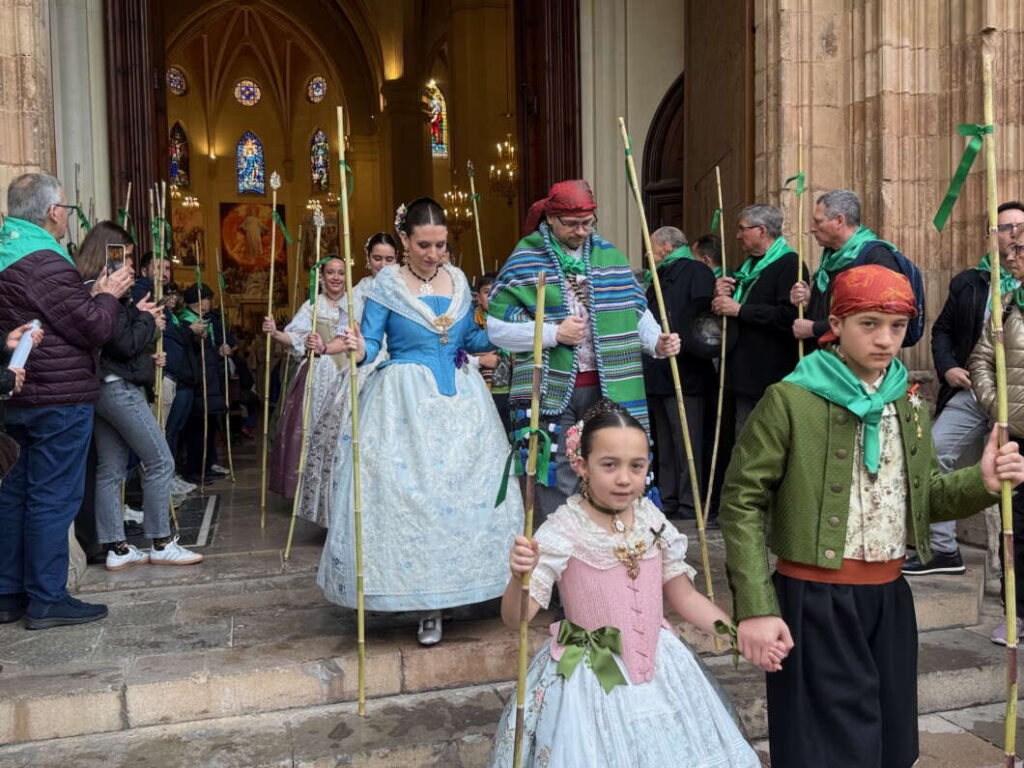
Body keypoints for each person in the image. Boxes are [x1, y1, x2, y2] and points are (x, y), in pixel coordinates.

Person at [719, 265, 1024, 768]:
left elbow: (923, 500)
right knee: (828, 747)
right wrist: (756, 605)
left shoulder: (908, 402)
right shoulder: (790, 399)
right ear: (836, 323)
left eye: (897, 327)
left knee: (889, 742)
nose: (885, 339)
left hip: (889, 599)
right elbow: (742, 502)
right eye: (869, 323)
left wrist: (984, 483)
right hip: (813, 600)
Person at [489, 398, 760, 767]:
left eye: (636, 466)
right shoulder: (562, 530)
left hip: (662, 665)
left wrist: (735, 634)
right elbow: (516, 618)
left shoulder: (653, 520)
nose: (624, 478)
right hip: (592, 675)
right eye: (609, 465)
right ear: (581, 465)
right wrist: (519, 576)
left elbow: (683, 596)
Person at [318, 198, 523, 645]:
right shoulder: (385, 286)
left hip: (464, 399)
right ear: (405, 241)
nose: (434, 254)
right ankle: (426, 604)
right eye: (425, 245)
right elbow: (372, 344)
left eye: (442, 246)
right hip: (405, 403)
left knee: (468, 491)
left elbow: (470, 336)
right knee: (417, 500)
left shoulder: (460, 281)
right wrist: (352, 347)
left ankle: (472, 585)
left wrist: (518, 329)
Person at [487, 180, 680, 519]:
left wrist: (656, 342)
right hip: (547, 390)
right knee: (554, 472)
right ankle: (561, 558)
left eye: (587, 223)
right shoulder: (526, 259)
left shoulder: (610, 257)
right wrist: (551, 333)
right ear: (551, 219)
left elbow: (635, 311)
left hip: (609, 387)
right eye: (571, 224)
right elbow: (497, 329)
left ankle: (609, 552)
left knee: (608, 464)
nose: (581, 231)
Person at [0, 172, 132, 629]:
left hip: (18, 393)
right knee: (52, 498)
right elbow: (91, 328)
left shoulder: (7, 251)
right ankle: (46, 598)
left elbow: (56, 315)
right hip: (57, 395)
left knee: (16, 495)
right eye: (67, 209)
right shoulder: (45, 261)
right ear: (54, 212)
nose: (67, 218)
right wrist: (109, 297)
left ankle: (9, 593)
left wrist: (88, 296)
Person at [903, 201, 1024, 579]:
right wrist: (951, 368)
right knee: (933, 451)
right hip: (977, 391)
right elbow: (943, 331)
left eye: (1019, 229)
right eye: (1005, 229)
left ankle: (1011, 586)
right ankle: (942, 549)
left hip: (1018, 403)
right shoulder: (970, 281)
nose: (1012, 237)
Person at [74, 223, 203, 571]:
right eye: (125, 257)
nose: (130, 265)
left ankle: (116, 547)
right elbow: (123, 341)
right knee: (161, 460)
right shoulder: (104, 293)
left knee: (111, 468)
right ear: (107, 255)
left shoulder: (94, 290)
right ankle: (161, 541)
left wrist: (145, 337)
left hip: (103, 385)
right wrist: (149, 322)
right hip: (117, 388)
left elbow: (121, 343)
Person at [970, 239, 1024, 644]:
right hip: (1016, 436)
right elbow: (981, 358)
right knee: (1015, 528)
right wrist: (996, 404)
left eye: (1020, 249)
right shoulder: (1007, 304)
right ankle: (1016, 613)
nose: (1010, 256)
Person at [264, 257, 349, 509]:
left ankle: (340, 488)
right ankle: (312, 491)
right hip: (319, 373)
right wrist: (275, 332)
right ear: (321, 277)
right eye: (331, 272)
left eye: (341, 273)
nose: (336, 277)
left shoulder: (355, 303)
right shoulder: (313, 305)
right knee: (313, 428)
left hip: (349, 370)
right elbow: (295, 336)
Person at [643, 226, 716, 519]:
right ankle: (670, 498)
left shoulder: (696, 273)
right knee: (665, 441)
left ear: (665, 247)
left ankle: (690, 502)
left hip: (685, 372)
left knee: (688, 441)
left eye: (652, 247)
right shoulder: (656, 277)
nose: (649, 254)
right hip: (659, 372)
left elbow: (700, 320)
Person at [712, 204, 801, 435]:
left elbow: (788, 317)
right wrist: (721, 295)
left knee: (764, 442)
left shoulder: (789, 264)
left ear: (762, 230)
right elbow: (733, 308)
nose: (738, 235)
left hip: (769, 375)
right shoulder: (747, 266)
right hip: (742, 374)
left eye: (742, 229)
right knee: (743, 441)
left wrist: (740, 310)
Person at [789, 189, 903, 351]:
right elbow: (837, 307)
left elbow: (878, 316)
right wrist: (810, 303)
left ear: (839, 220)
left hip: (857, 365)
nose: (812, 228)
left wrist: (815, 329)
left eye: (818, 221)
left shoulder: (876, 257)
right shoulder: (831, 257)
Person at [180, 283, 235, 485]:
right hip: (198, 383)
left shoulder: (208, 320)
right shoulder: (186, 321)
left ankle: (206, 464)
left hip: (210, 380)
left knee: (208, 425)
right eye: (208, 298)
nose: (210, 302)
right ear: (199, 301)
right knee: (196, 429)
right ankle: (196, 469)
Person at [473, 271, 513, 434]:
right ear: (478, 296)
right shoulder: (472, 322)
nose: (491, 298)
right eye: (487, 293)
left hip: (511, 390)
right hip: (483, 390)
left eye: (496, 293)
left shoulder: (512, 320)